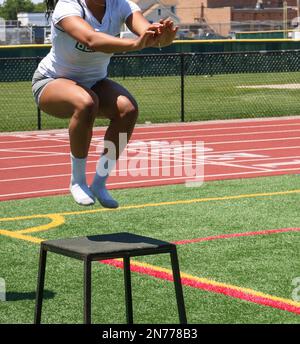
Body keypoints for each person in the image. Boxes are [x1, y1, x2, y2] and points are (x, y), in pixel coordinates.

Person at [32, 0, 178, 208]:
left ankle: (99, 183)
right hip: (51, 82)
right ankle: (78, 182)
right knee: (86, 102)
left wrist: (162, 38)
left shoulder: (121, 5)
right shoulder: (68, 5)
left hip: (94, 83)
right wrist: (135, 44)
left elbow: (146, 32)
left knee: (128, 110)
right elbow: (92, 39)